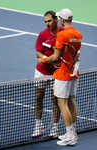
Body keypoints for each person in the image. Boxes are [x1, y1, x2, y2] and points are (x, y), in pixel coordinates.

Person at [37, 8, 82, 146]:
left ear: (61, 19)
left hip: (63, 74)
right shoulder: (78, 34)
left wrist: (43, 60)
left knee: (62, 104)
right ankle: (73, 133)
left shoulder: (62, 35)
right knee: (71, 102)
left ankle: (70, 137)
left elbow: (56, 57)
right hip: (74, 72)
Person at [32, 11, 64, 139]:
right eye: (45, 21)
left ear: (56, 19)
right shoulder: (42, 34)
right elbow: (38, 53)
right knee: (39, 97)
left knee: (55, 100)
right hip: (41, 71)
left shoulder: (63, 33)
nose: (47, 24)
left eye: (49, 21)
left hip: (56, 73)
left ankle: (55, 127)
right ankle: (38, 124)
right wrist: (49, 59)